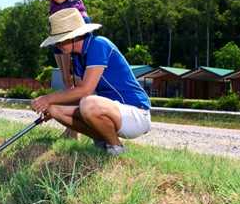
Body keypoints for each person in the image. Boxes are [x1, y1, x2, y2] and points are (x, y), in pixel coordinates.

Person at [7, 0, 90, 136]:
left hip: (73, 22)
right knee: (66, 78)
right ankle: (74, 126)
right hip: (56, 22)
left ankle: (78, 127)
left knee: (77, 77)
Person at [31, 8, 151, 156]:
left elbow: (86, 91)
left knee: (88, 104)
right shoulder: (77, 57)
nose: (57, 46)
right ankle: (102, 142)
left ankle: (116, 148)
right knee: (55, 109)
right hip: (112, 112)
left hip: (136, 114)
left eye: (60, 41)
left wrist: (47, 98)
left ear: (74, 36)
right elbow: (78, 95)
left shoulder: (98, 45)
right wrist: (50, 105)